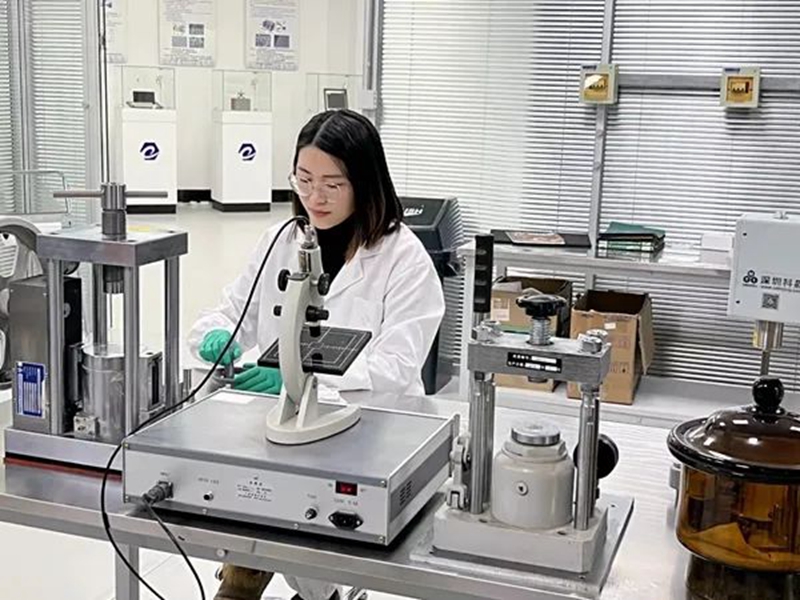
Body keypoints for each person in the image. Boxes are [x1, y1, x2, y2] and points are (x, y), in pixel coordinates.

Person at [189, 109, 446, 600]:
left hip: (370, 432)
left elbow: (395, 367)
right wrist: (216, 335)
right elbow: (232, 311)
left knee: (316, 556)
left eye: (332, 184)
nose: (315, 198)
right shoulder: (281, 240)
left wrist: (304, 379)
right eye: (304, 180)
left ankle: (324, 592)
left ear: (364, 183)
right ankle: (247, 576)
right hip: (283, 427)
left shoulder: (403, 258)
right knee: (251, 515)